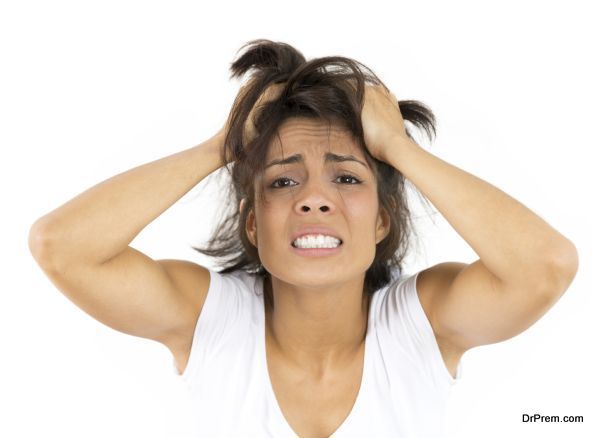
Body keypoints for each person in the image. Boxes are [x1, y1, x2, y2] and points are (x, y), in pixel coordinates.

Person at [28, 39, 579, 437]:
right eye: (284, 180)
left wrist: (399, 148)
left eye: (346, 177)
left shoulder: (423, 325)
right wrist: (220, 147)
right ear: (252, 223)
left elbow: (546, 265)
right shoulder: (209, 319)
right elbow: (61, 245)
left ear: (382, 222)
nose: (314, 199)